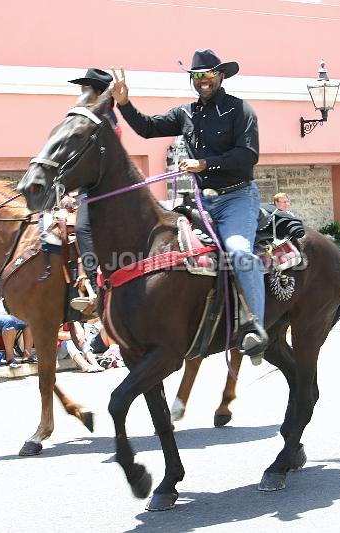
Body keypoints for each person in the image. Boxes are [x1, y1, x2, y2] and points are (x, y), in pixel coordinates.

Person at [111, 49, 268, 360]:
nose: (203, 80)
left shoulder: (240, 110)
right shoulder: (186, 113)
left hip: (237, 197)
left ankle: (255, 328)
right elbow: (148, 128)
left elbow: (248, 156)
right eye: (197, 76)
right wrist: (125, 104)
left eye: (208, 74)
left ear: (221, 76)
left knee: (238, 252)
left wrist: (204, 164)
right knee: (168, 249)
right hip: (199, 202)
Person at [67, 68, 121, 313]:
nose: (81, 94)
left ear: (98, 93)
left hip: (102, 189)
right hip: (89, 187)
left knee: (82, 228)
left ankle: (95, 284)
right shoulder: (95, 118)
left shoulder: (105, 120)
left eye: (85, 89)